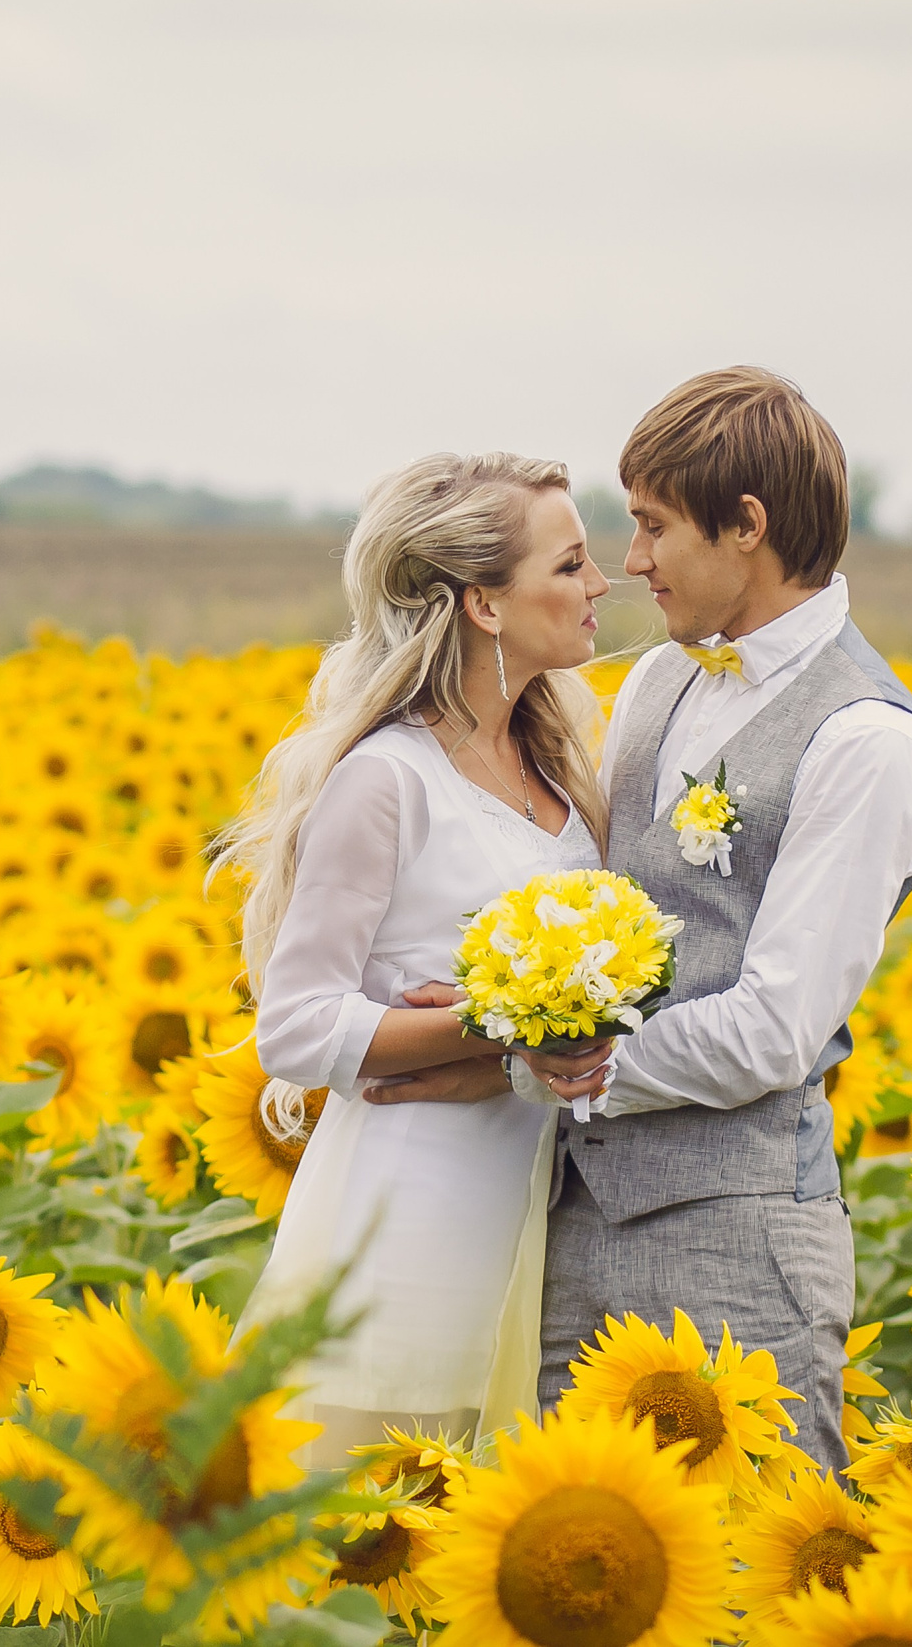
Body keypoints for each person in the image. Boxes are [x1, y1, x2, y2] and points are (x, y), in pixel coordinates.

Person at [512, 366, 912, 1475]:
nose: (633, 560)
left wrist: (578, 1067)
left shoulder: (864, 740)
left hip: (740, 1242)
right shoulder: (659, 682)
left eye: (655, 525)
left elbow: (774, 1028)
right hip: (574, 1219)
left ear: (746, 525)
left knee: (752, 1552)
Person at [227, 450, 610, 1465]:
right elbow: (296, 1027)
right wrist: (498, 1024)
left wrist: (518, 1051)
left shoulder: (557, 767)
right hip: (410, 1221)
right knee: (365, 1516)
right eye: (569, 564)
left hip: (533, 1210)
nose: (600, 583)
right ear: (483, 603)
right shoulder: (388, 778)